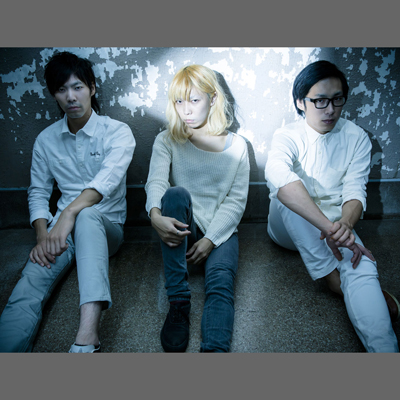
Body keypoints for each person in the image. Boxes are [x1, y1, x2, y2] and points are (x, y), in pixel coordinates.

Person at [0, 51, 136, 353]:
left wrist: (69, 213)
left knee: (86, 215)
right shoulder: (46, 140)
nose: (71, 97)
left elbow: (106, 183)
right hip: (60, 233)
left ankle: (88, 335)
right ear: (54, 95)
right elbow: (38, 191)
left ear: (92, 88)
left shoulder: (118, 132)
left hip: (106, 228)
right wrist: (42, 235)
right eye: (62, 89)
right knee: (29, 284)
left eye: (77, 87)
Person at [265, 60, 399, 352]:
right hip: (286, 227)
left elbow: (355, 192)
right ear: (300, 102)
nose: (330, 109)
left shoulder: (356, 138)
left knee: (362, 262)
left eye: (337, 99)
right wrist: (329, 228)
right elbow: (278, 176)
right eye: (320, 101)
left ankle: (385, 350)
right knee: (287, 192)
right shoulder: (287, 135)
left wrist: (346, 226)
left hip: (334, 223)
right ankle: (331, 278)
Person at [145, 65, 249, 352]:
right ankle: (178, 301)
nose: (186, 110)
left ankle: (214, 350)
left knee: (221, 286)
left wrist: (210, 239)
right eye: (179, 101)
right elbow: (156, 180)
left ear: (213, 99)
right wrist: (155, 216)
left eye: (194, 100)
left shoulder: (238, 146)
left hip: (221, 231)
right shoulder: (167, 139)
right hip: (182, 226)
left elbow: (236, 201)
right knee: (175, 194)